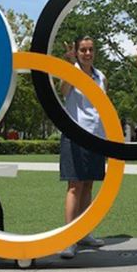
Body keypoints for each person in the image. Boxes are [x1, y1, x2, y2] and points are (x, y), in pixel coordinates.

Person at [59, 36, 107, 259]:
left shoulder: (101, 77)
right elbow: (63, 91)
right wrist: (70, 67)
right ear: (77, 52)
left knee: (88, 185)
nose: (88, 54)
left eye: (90, 50)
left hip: (96, 137)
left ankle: (84, 232)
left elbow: (102, 107)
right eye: (83, 50)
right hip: (75, 136)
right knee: (74, 186)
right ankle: (69, 239)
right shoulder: (72, 72)